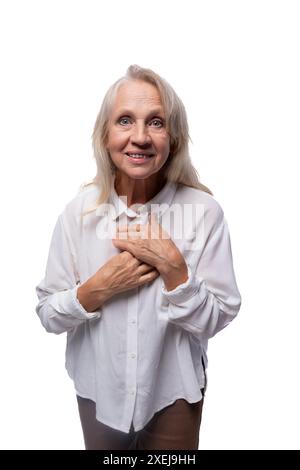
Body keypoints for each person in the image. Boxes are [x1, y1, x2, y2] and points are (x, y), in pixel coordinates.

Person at [36, 64, 241, 450]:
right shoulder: (77, 214)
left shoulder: (204, 212)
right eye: (125, 121)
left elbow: (218, 316)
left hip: (174, 396)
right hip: (97, 395)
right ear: (105, 134)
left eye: (157, 122)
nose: (140, 137)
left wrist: (174, 268)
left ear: (174, 137)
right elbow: (48, 313)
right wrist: (95, 290)